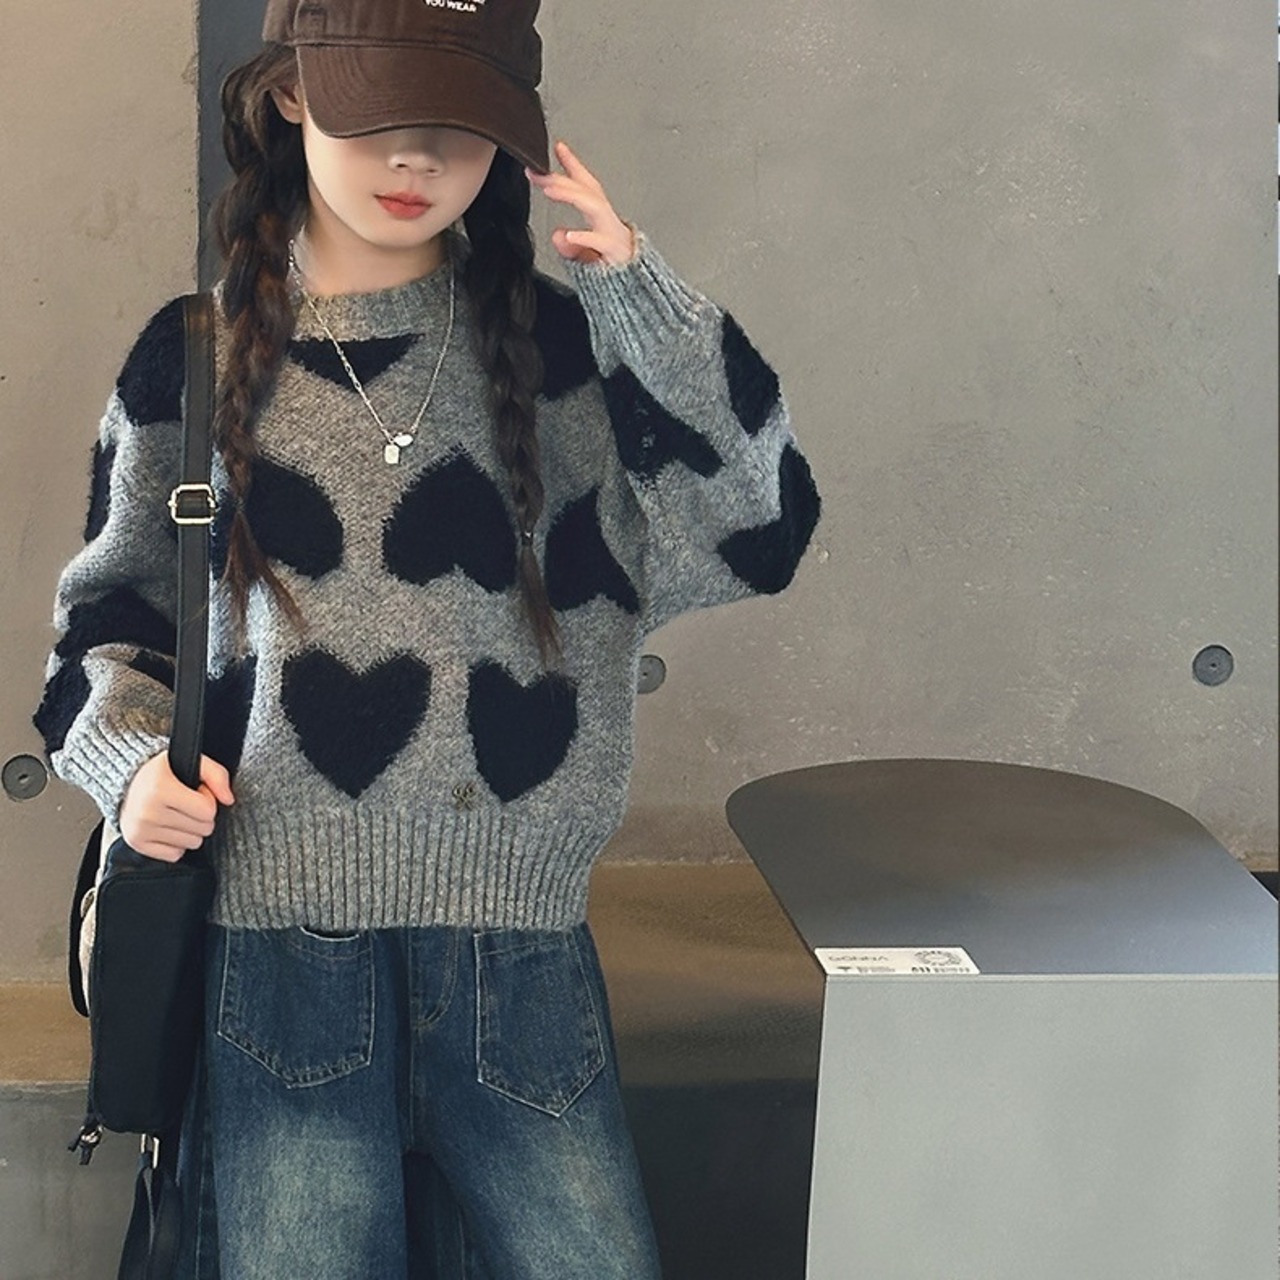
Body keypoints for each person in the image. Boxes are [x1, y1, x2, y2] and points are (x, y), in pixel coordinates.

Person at [35, 0, 821, 1275]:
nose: (417, 159)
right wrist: (130, 770)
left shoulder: (568, 354)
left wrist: (639, 296)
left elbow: (760, 530)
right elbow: (103, 626)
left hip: (521, 955)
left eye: (460, 124)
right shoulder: (193, 360)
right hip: (274, 954)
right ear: (293, 94)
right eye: (381, 113)